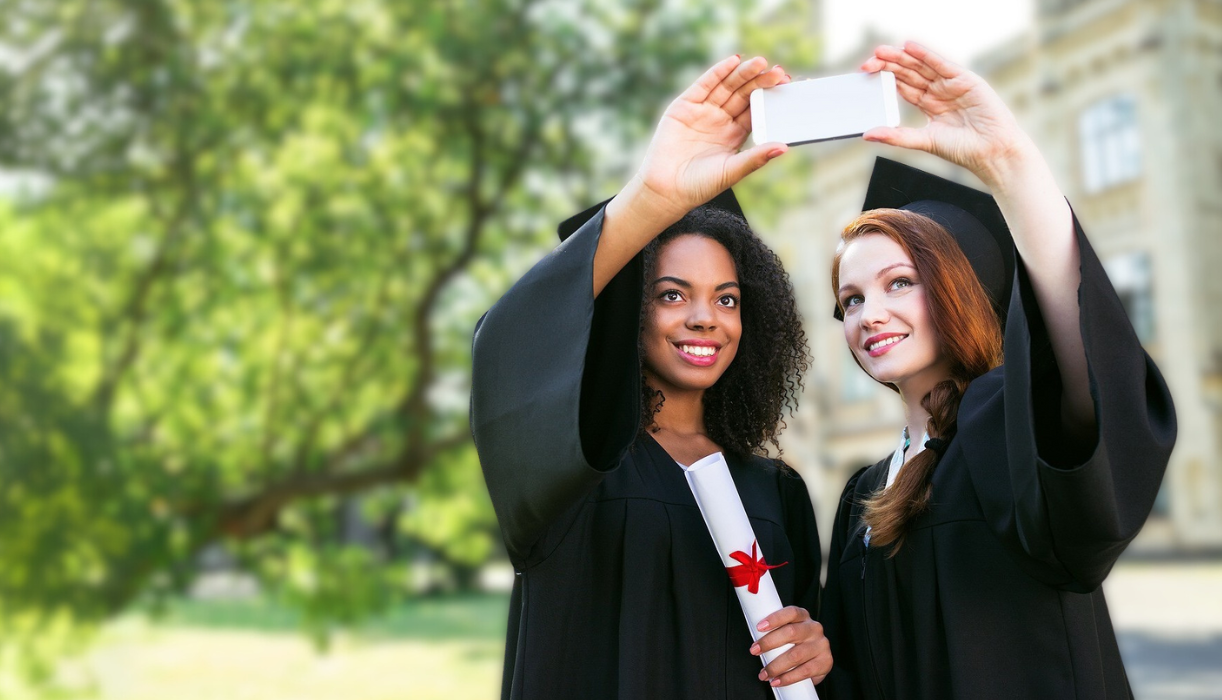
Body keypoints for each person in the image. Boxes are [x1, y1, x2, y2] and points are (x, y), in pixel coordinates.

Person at [818, 42, 1177, 699]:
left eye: (901, 282)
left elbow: (1091, 391)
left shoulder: (1005, 428)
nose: (870, 314)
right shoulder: (862, 497)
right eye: (851, 299)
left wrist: (1010, 165)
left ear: (964, 289)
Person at [470, 55, 831, 698]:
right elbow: (508, 346)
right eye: (671, 294)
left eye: (727, 299)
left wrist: (815, 646)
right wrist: (655, 198)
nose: (705, 320)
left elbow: (808, 650)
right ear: (627, 315)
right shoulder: (571, 470)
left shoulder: (777, 491)